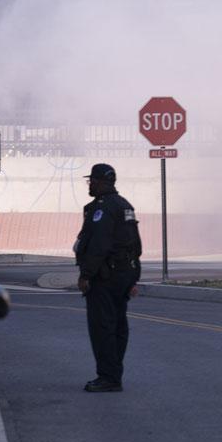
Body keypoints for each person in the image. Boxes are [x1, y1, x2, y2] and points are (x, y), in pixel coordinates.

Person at [74, 162, 142, 392]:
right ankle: (114, 373)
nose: (89, 185)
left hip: (105, 277)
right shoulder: (125, 206)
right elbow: (136, 246)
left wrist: (85, 275)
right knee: (118, 326)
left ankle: (109, 377)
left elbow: (98, 246)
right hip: (123, 275)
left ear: (100, 182)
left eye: (91, 181)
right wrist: (133, 278)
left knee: (102, 327)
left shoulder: (102, 209)